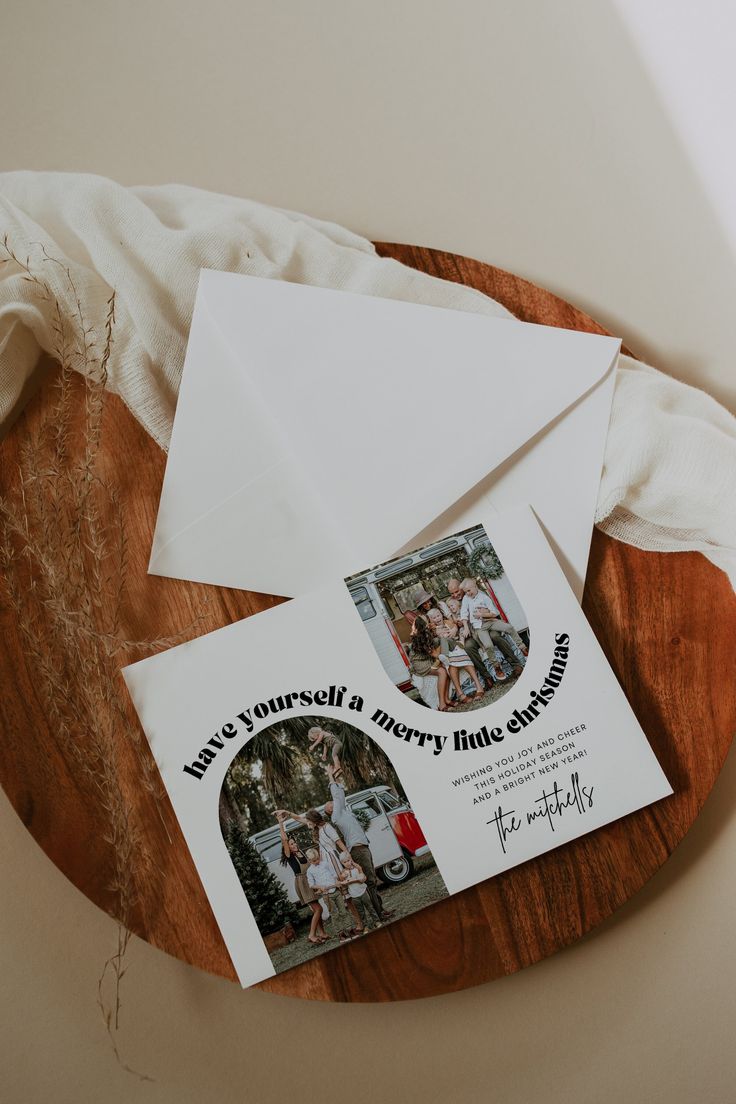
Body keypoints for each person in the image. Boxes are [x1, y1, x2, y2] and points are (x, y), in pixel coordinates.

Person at [324, 767, 395, 921]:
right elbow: (337, 797)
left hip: (363, 847)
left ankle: (380, 910)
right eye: (331, 804)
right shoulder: (336, 815)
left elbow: (340, 796)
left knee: (371, 880)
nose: (334, 802)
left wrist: (336, 779)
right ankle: (379, 914)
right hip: (358, 850)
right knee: (369, 881)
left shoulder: (342, 811)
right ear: (330, 810)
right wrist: (330, 775)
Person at [276, 812, 328, 946]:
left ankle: (322, 933)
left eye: (294, 843)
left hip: (311, 881)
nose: (294, 845)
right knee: (318, 909)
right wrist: (280, 823)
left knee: (317, 907)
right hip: (302, 883)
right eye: (291, 844)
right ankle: (311, 934)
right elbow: (284, 839)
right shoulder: (290, 856)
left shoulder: (302, 852)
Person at [460, 577, 525, 677]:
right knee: (488, 645)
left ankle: (522, 647)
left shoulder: (483, 596)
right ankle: (496, 666)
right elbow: (463, 614)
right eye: (465, 592)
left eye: (469, 590)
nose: (467, 593)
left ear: (475, 586)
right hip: (479, 627)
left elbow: (494, 613)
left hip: (490, 622)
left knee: (508, 628)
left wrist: (482, 614)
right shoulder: (466, 598)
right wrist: (466, 627)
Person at [426, 607, 483, 703]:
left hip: (455, 645)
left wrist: (454, 630)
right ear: (431, 620)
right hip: (445, 652)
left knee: (463, 657)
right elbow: (435, 644)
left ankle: (479, 687)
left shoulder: (448, 622)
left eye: (438, 615)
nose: (437, 618)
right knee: (451, 664)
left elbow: (455, 632)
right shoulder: (432, 630)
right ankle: (460, 694)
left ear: (441, 614)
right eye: (434, 618)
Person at [304, 848, 360, 943]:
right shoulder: (310, 871)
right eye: (314, 861)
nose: (317, 861)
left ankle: (350, 930)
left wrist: (337, 882)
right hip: (327, 895)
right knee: (334, 914)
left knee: (343, 911)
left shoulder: (325, 864)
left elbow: (334, 875)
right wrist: (320, 887)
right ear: (309, 861)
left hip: (336, 891)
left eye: (318, 859)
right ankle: (341, 934)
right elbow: (311, 884)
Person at [408, 613, 452, 710]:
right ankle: (442, 704)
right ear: (422, 624)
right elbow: (435, 654)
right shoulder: (421, 636)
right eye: (426, 620)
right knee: (442, 672)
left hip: (427, 660)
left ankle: (447, 699)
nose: (428, 621)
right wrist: (442, 640)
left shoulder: (427, 632)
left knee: (445, 669)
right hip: (420, 663)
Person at [337, 851, 382, 931]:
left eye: (348, 861)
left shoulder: (357, 868)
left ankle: (376, 921)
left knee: (370, 907)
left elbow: (363, 878)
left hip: (363, 891)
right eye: (345, 862)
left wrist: (358, 875)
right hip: (354, 895)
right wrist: (342, 877)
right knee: (361, 911)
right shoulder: (344, 872)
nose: (347, 863)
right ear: (342, 863)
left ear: (351, 860)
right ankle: (365, 926)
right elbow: (340, 881)